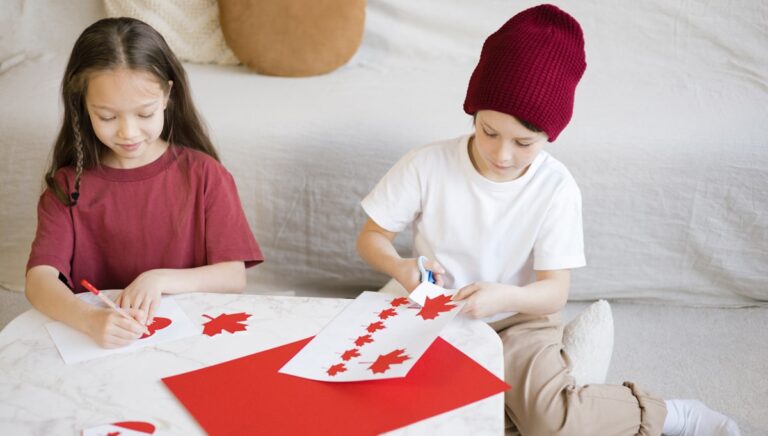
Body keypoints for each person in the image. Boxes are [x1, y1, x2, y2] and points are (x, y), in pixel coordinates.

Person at [356, 4, 740, 435]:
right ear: (474, 114)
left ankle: (667, 413)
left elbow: (554, 293)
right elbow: (373, 236)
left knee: (550, 423)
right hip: (438, 314)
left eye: (524, 142)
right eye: (488, 131)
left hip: (521, 319)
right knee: (397, 409)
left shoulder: (556, 188)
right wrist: (400, 266)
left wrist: (504, 297)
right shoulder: (426, 164)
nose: (501, 154)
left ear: (549, 135)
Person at [25, 17, 263, 349]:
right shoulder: (68, 186)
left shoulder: (206, 175)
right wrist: (88, 319)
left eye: (145, 113)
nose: (128, 132)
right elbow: (39, 280)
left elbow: (233, 276)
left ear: (167, 95)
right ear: (82, 106)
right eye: (107, 117)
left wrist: (160, 279)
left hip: (187, 342)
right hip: (99, 343)